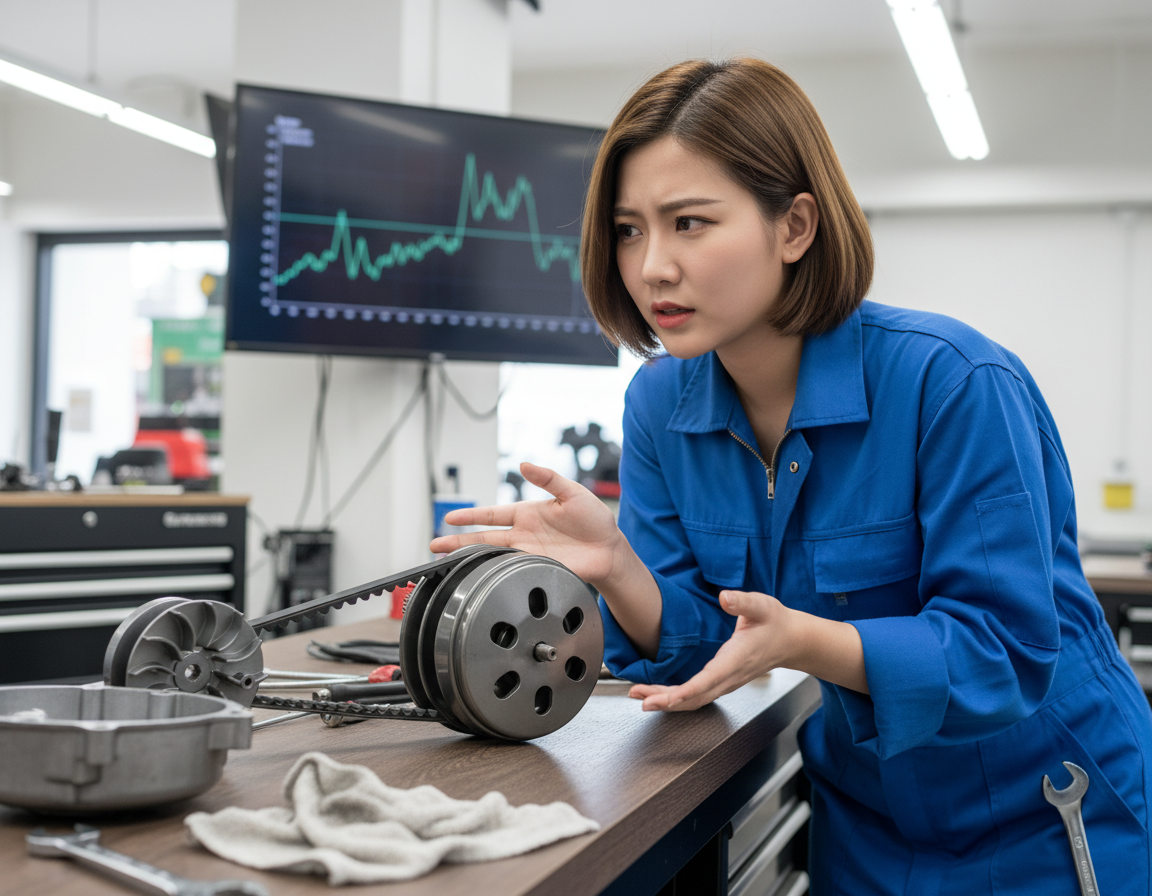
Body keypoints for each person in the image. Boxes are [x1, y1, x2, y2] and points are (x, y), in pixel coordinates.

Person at [430, 57, 1152, 892]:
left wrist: (807, 640)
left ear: (795, 227)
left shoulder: (952, 381)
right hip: (867, 825)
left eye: (690, 222)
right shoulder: (662, 403)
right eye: (629, 229)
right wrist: (619, 570)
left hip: (1047, 816)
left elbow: (1005, 653)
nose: (653, 265)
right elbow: (706, 644)